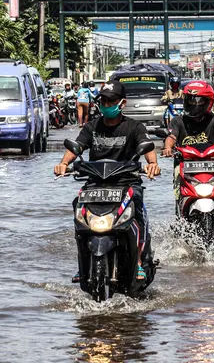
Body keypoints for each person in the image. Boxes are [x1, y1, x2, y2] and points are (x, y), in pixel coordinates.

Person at [54, 81, 161, 282]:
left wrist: (152, 164)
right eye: (103, 100)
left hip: (127, 182)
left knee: (137, 208)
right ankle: (83, 262)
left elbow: (147, 147)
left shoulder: (134, 127)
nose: (106, 104)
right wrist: (63, 163)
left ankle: (138, 261)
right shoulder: (92, 126)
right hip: (95, 184)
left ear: (122, 103)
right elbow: (76, 147)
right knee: (78, 208)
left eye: (110, 100)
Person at [162, 80, 214, 157]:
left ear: (208, 102)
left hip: (212, 159)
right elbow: (172, 136)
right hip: (185, 160)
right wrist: (167, 147)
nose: (195, 104)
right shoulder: (177, 121)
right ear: (186, 101)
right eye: (191, 100)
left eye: (200, 101)